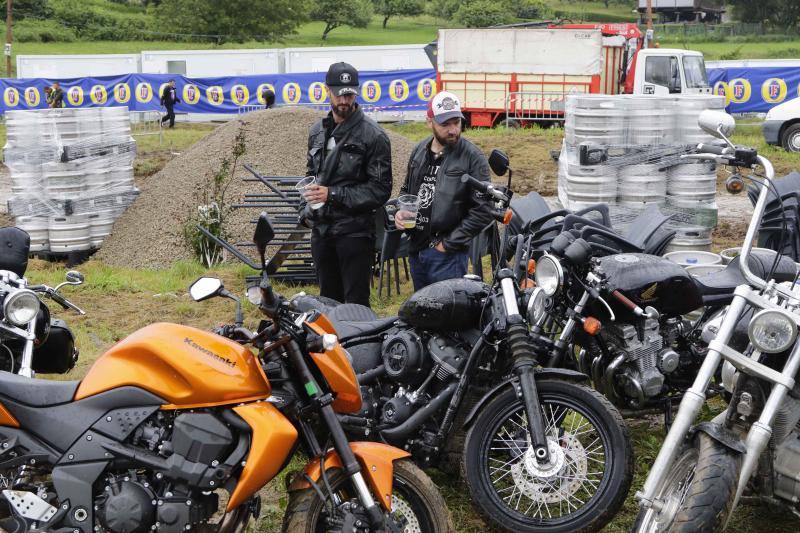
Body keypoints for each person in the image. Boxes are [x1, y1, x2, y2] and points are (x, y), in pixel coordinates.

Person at [300, 62, 392, 308]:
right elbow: (311, 175)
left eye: (349, 94)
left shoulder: (374, 136)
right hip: (321, 233)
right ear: (327, 91)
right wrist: (305, 211)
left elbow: (380, 190)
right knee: (327, 303)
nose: (344, 100)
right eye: (339, 93)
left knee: (355, 308)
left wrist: (333, 194)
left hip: (355, 234)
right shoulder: (317, 131)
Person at [395, 91, 493, 291]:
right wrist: (400, 211)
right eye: (445, 124)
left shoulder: (473, 157)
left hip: (448, 255)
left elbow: (484, 210)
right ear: (429, 122)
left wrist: (447, 244)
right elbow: (407, 190)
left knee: (448, 316)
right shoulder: (419, 150)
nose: (453, 130)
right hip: (417, 247)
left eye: (456, 122)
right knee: (422, 311)